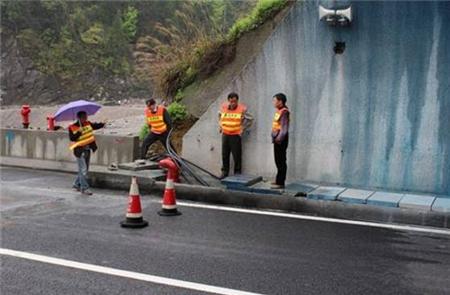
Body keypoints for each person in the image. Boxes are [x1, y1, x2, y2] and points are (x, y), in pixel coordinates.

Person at [68, 111, 105, 195]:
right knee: (83, 170)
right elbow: (72, 138)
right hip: (79, 151)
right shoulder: (72, 127)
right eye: (84, 117)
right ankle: (84, 188)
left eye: (86, 117)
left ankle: (76, 184)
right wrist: (79, 132)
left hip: (87, 149)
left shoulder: (88, 124)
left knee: (84, 169)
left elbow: (95, 126)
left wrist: (102, 124)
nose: (86, 118)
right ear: (79, 118)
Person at [218, 92, 253, 179]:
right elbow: (219, 115)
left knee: (237, 155)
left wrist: (243, 128)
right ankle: (224, 172)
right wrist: (220, 125)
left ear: (237, 101)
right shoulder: (223, 107)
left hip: (235, 135)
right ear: (228, 101)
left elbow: (250, 119)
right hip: (225, 134)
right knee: (224, 154)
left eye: (235, 101)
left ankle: (237, 173)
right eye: (231, 101)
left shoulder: (242, 109)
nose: (233, 103)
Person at [271, 93, 290, 189]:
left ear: (280, 101)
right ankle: (278, 179)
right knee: (277, 160)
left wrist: (278, 139)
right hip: (277, 139)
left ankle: (281, 182)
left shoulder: (284, 112)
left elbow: (284, 128)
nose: (273, 102)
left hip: (281, 140)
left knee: (281, 161)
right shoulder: (279, 111)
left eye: (275, 100)